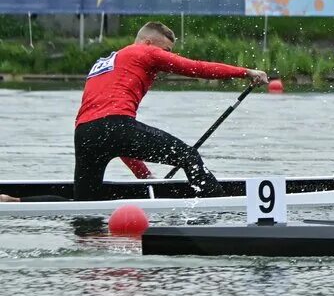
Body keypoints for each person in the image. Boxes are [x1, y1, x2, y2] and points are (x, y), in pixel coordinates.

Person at [0, 21, 268, 203]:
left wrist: (145, 177)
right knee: (188, 156)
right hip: (114, 126)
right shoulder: (145, 53)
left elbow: (114, 136)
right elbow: (194, 67)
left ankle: (15, 202)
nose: (168, 57)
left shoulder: (104, 63)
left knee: (83, 206)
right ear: (149, 43)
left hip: (85, 134)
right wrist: (245, 72)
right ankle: (221, 210)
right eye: (167, 51)